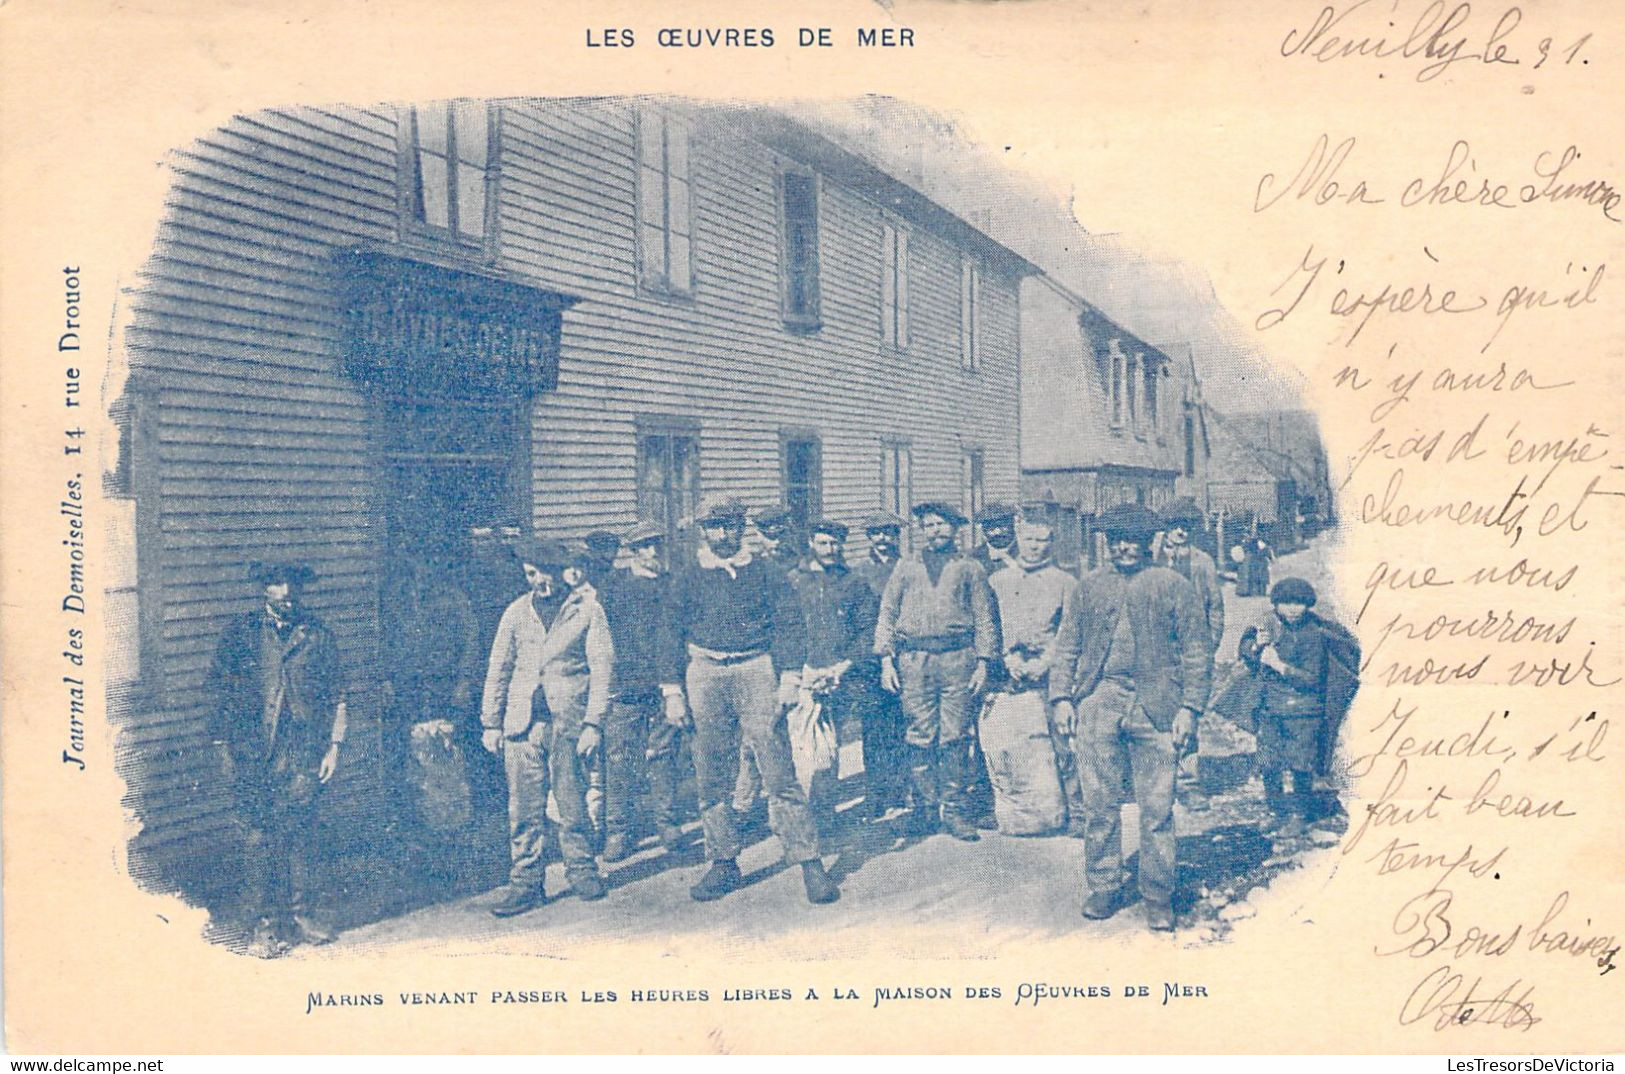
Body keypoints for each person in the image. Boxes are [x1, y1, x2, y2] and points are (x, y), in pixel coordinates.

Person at [661, 498, 839, 905]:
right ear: (703, 531)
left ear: (742, 528)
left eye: (729, 526)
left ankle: (809, 862)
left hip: (756, 669)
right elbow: (669, 632)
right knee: (711, 774)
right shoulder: (688, 577)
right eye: (713, 527)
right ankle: (723, 862)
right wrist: (672, 691)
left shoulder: (766, 573)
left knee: (778, 772)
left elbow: (789, 624)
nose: (722, 535)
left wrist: (791, 678)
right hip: (703, 672)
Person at [1049, 503, 1212, 932]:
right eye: (1116, 539)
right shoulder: (1088, 587)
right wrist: (1062, 698)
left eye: (1134, 540)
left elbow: (1197, 651)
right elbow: (1066, 647)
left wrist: (1190, 709)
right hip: (1099, 698)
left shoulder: (1173, 585)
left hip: (1156, 703)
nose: (1125, 547)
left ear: (1149, 542)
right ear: (1107, 542)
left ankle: (1157, 894)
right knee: (1099, 802)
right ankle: (1104, 884)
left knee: (1157, 806)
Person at [207, 561, 347, 958]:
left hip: (301, 750)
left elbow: (338, 694)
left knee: (300, 832)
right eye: (276, 584)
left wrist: (334, 746)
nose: (285, 591)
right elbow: (218, 693)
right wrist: (222, 748)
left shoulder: (317, 635)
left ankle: (302, 916)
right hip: (253, 752)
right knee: (258, 837)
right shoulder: (241, 635)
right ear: (263, 589)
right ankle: (265, 925)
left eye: (292, 585)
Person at [480, 537, 612, 917]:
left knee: (572, 802)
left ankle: (582, 870)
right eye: (531, 574)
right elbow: (499, 669)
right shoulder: (516, 613)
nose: (540, 582)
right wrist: (491, 722)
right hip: (522, 725)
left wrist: (593, 723)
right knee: (523, 808)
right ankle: (525, 882)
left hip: (568, 722)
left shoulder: (587, 610)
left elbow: (602, 671)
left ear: (562, 572)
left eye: (547, 573)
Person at [873, 502, 1001, 841]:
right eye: (929, 525)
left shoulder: (970, 568)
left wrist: (984, 663)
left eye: (942, 525)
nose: (935, 531)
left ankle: (956, 809)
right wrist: (886, 659)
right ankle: (925, 808)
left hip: (958, 660)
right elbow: (887, 613)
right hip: (914, 662)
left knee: (955, 736)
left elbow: (986, 619)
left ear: (956, 529)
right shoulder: (905, 567)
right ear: (921, 530)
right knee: (919, 734)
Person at [379, 542, 482, 856]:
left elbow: (470, 642)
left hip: (443, 690)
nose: (422, 569)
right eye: (415, 561)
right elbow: (383, 637)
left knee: (447, 755)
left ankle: (451, 829)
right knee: (410, 757)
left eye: (428, 562)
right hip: (407, 690)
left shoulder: (452, 599)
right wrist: (384, 678)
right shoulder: (396, 600)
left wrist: (463, 683)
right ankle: (415, 829)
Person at [1238, 578, 1361, 839]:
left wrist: (1278, 665)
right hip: (1271, 707)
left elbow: (1312, 678)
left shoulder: (1314, 634)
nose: (1293, 609)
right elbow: (1245, 651)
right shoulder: (1268, 624)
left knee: (1300, 763)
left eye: (1299, 603)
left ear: (1308, 605)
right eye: (1286, 603)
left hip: (1304, 710)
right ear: (1276, 605)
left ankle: (1298, 815)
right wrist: (1258, 645)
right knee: (1268, 760)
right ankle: (1276, 811)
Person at [596, 522, 688, 862]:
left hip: (663, 684)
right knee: (619, 760)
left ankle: (667, 824)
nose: (653, 553)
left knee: (663, 756)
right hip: (625, 687)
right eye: (645, 547)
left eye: (656, 546)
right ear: (633, 551)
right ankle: (618, 831)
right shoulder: (613, 587)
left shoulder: (671, 586)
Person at [786, 518, 881, 842]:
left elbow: (867, 629)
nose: (830, 549)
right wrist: (795, 670)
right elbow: (782, 627)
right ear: (812, 542)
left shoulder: (853, 582)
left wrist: (844, 666)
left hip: (838, 676)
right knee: (798, 749)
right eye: (824, 543)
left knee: (829, 747)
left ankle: (825, 815)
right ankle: (796, 817)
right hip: (800, 674)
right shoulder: (794, 581)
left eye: (835, 543)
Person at [986, 514, 1080, 835]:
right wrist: (1006, 658)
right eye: (1029, 539)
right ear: (1018, 539)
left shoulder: (1066, 582)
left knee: (1062, 743)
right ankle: (1015, 812)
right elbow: (990, 628)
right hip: (1009, 673)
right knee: (1009, 741)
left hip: (1049, 673)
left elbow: (1069, 632)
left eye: (1042, 540)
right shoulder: (998, 581)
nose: (1035, 547)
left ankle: (1076, 812)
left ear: (1052, 542)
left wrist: (1046, 662)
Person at [1158, 497, 1225, 813]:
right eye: (1175, 526)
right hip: (1155, 651)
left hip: (1190, 651)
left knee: (1187, 715)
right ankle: (1156, 781)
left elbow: (1215, 608)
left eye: (1186, 526)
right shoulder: (1151, 560)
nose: (1181, 532)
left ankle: (1188, 783)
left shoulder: (1202, 563)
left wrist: (1207, 649)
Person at [849, 512, 909, 821]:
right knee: (873, 729)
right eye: (876, 534)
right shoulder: (858, 572)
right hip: (870, 663)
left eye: (888, 533)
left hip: (905, 656)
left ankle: (900, 790)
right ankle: (876, 794)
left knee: (902, 726)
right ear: (869, 537)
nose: (882, 539)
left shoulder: (910, 568)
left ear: (897, 535)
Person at [972, 501, 1019, 576]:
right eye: (990, 528)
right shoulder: (973, 557)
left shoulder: (1028, 552)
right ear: (983, 530)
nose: (997, 532)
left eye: (1002, 526)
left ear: (1012, 524)